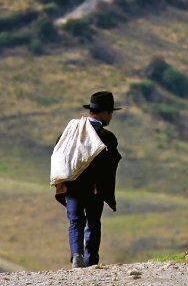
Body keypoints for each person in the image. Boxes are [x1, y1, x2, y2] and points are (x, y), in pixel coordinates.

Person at [53, 91, 122, 269]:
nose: (111, 117)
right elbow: (110, 164)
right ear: (105, 113)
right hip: (94, 188)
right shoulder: (107, 137)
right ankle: (91, 261)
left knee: (75, 221)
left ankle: (76, 256)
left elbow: (60, 152)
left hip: (71, 186)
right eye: (111, 113)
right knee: (93, 223)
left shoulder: (69, 133)